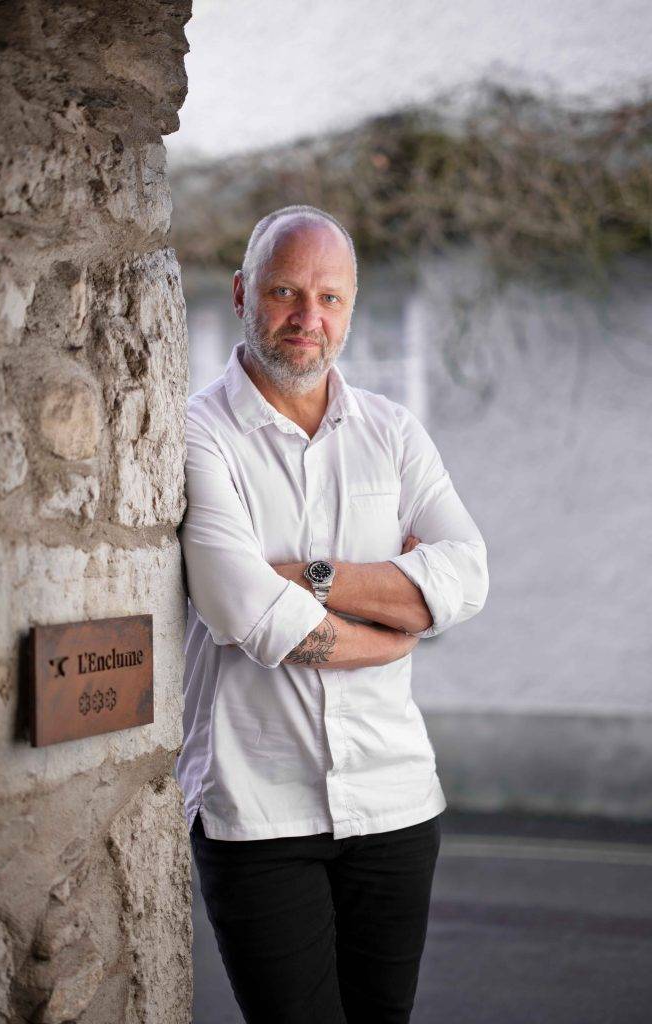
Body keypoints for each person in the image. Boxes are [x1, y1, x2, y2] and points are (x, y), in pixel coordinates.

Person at [175, 204, 489, 1023]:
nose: (307, 317)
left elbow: (466, 574)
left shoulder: (394, 432)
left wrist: (309, 577)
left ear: (349, 306)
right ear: (242, 293)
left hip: (394, 801)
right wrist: (389, 629)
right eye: (285, 291)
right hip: (258, 812)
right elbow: (244, 610)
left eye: (329, 297)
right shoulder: (196, 433)